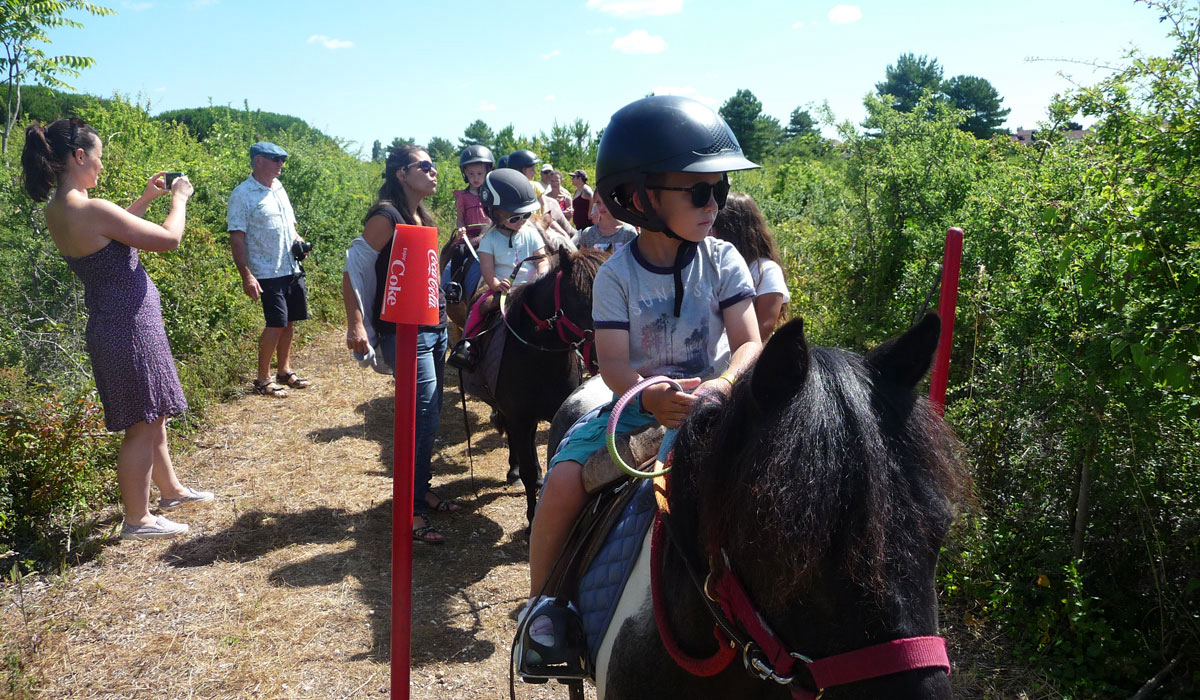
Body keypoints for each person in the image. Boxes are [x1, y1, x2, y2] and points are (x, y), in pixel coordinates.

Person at [517, 96, 763, 673]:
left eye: (720, 189)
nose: (713, 204)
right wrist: (649, 394)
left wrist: (724, 385)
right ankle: (544, 610)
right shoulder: (617, 276)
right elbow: (612, 365)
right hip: (637, 405)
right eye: (698, 191)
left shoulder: (725, 259)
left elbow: (751, 343)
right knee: (564, 479)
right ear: (643, 197)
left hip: (720, 401)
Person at [21, 117, 213, 540]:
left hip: (114, 323)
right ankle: (138, 519)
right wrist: (178, 199)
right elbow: (168, 239)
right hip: (129, 327)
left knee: (152, 414)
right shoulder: (90, 208)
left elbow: (112, 234)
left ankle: (171, 491)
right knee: (142, 425)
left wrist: (144, 198)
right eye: (99, 157)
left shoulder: (61, 208)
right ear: (79, 156)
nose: (102, 165)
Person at [341, 145, 458, 544]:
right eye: (424, 165)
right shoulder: (386, 216)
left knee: (431, 413)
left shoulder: (421, 215)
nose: (433, 170)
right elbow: (354, 267)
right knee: (418, 415)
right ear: (402, 174)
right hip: (403, 332)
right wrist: (356, 323)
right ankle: (412, 510)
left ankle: (420, 489)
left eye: (434, 165)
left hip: (434, 326)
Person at [227, 142, 311, 398]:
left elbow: (290, 226)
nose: (280, 164)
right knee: (275, 323)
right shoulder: (242, 194)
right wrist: (247, 275)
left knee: (289, 321)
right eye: (275, 159)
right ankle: (262, 379)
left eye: (282, 159)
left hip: (290, 267)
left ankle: (284, 371)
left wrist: (298, 242)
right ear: (258, 160)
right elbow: (237, 238)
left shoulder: (279, 188)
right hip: (266, 271)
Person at [458, 168, 550, 345]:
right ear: (494, 214)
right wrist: (496, 285)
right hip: (504, 292)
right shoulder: (489, 240)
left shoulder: (531, 233)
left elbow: (542, 259)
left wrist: (541, 274)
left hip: (532, 288)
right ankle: (468, 347)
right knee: (478, 309)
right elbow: (487, 269)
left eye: (526, 215)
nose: (521, 221)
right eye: (514, 219)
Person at [711, 192, 791, 340]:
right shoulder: (716, 265)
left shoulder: (766, 271)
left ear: (731, 229)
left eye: (714, 225)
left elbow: (764, 328)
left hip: (745, 353)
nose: (709, 231)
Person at [445, 145, 494, 303]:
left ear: (487, 172)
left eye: (479, 173)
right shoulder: (462, 196)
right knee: (458, 251)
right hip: (470, 236)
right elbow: (460, 219)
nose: (475, 178)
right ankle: (454, 286)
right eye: (471, 174)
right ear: (464, 173)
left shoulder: (492, 194)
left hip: (489, 233)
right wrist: (461, 229)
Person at [571, 189, 638, 253]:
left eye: (606, 202)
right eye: (598, 202)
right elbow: (583, 259)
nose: (601, 207)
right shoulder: (588, 233)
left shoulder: (628, 233)